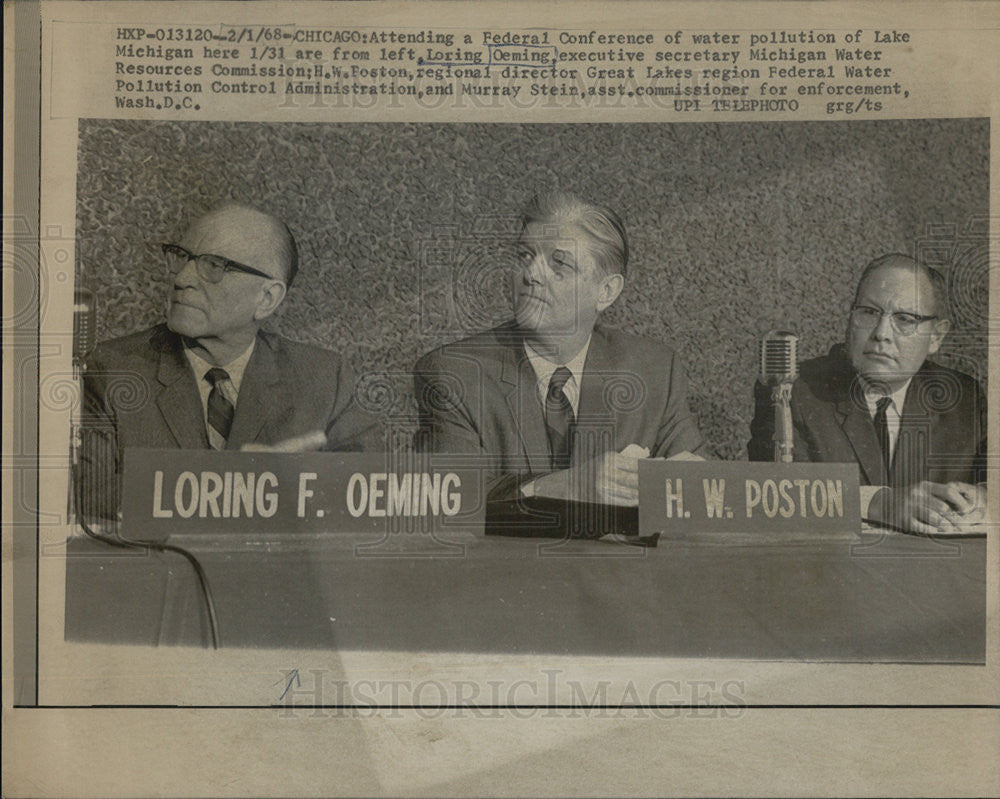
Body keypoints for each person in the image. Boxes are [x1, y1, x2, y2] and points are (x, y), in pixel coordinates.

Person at [79, 203, 374, 518]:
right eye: (181, 257)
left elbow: (370, 492)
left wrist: (286, 489)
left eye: (214, 265)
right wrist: (232, 486)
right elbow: (88, 493)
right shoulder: (114, 369)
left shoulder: (323, 377)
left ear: (267, 298)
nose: (181, 278)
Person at [414, 192, 706, 505]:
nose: (530, 274)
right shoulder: (454, 373)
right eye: (525, 256)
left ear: (606, 291)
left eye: (559, 264)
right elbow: (448, 498)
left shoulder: (654, 370)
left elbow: (706, 487)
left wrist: (691, 486)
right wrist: (566, 486)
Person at [748, 253, 987, 534]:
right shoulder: (794, 391)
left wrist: (984, 498)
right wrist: (882, 504)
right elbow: (772, 494)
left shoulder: (963, 397)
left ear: (936, 337)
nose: (882, 333)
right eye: (869, 312)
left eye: (905, 319)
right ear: (850, 318)